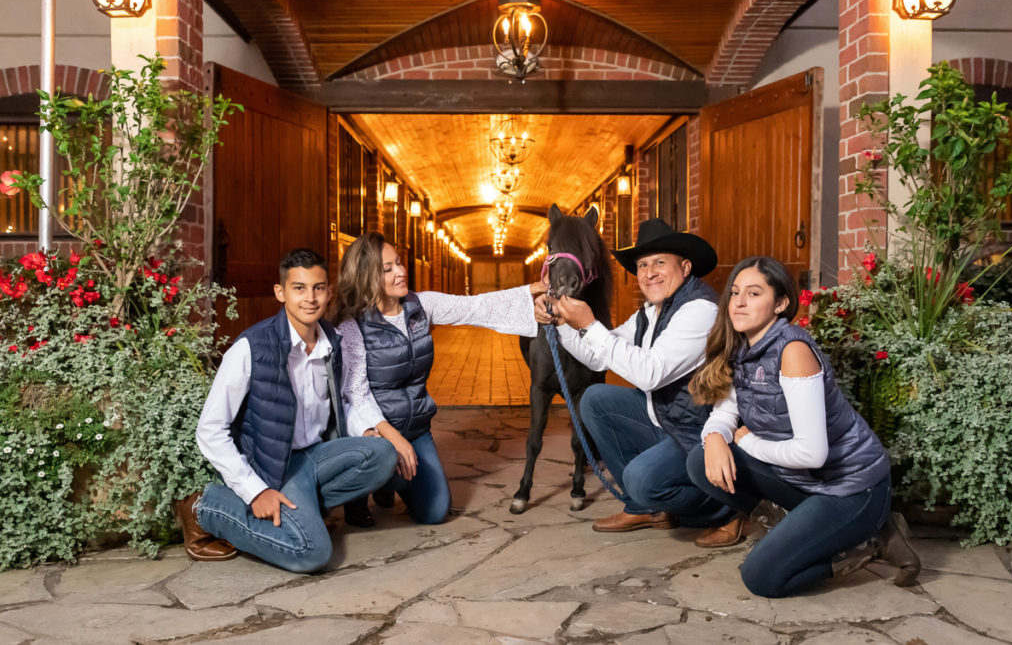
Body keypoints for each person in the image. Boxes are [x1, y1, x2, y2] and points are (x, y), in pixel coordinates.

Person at [686, 256, 920, 598]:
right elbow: (724, 413)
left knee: (762, 577)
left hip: (851, 488)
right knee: (700, 459)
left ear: (780, 303)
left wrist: (746, 442)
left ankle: (867, 541)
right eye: (735, 292)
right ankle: (796, 529)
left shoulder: (793, 351)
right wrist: (715, 438)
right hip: (806, 481)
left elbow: (812, 453)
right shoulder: (742, 348)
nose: (738, 301)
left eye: (753, 293)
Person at [181, 249, 397, 573]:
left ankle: (303, 511)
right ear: (280, 292)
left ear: (328, 292)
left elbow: (338, 403)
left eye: (318, 288)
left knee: (383, 453)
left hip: (315, 455)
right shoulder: (251, 348)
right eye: (299, 288)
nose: (310, 298)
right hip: (276, 467)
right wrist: (256, 491)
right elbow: (210, 429)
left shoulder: (332, 343)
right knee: (312, 553)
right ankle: (205, 507)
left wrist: (364, 430)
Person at [535, 218, 733, 534]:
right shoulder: (649, 312)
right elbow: (595, 359)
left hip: (696, 432)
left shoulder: (700, 310)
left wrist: (588, 325)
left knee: (641, 479)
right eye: (642, 265)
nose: (649, 272)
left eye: (659, 262)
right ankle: (642, 508)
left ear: (684, 268)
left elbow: (649, 373)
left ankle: (726, 508)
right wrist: (562, 322)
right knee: (595, 399)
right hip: (664, 419)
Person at [332, 232, 544, 525]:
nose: (401, 271)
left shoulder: (421, 305)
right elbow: (357, 395)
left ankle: (391, 483)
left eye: (399, 263)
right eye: (388, 268)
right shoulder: (352, 326)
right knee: (382, 457)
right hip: (376, 431)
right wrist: (394, 441)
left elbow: (475, 307)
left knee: (434, 511)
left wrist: (533, 290)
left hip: (416, 428)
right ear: (367, 276)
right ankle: (367, 489)